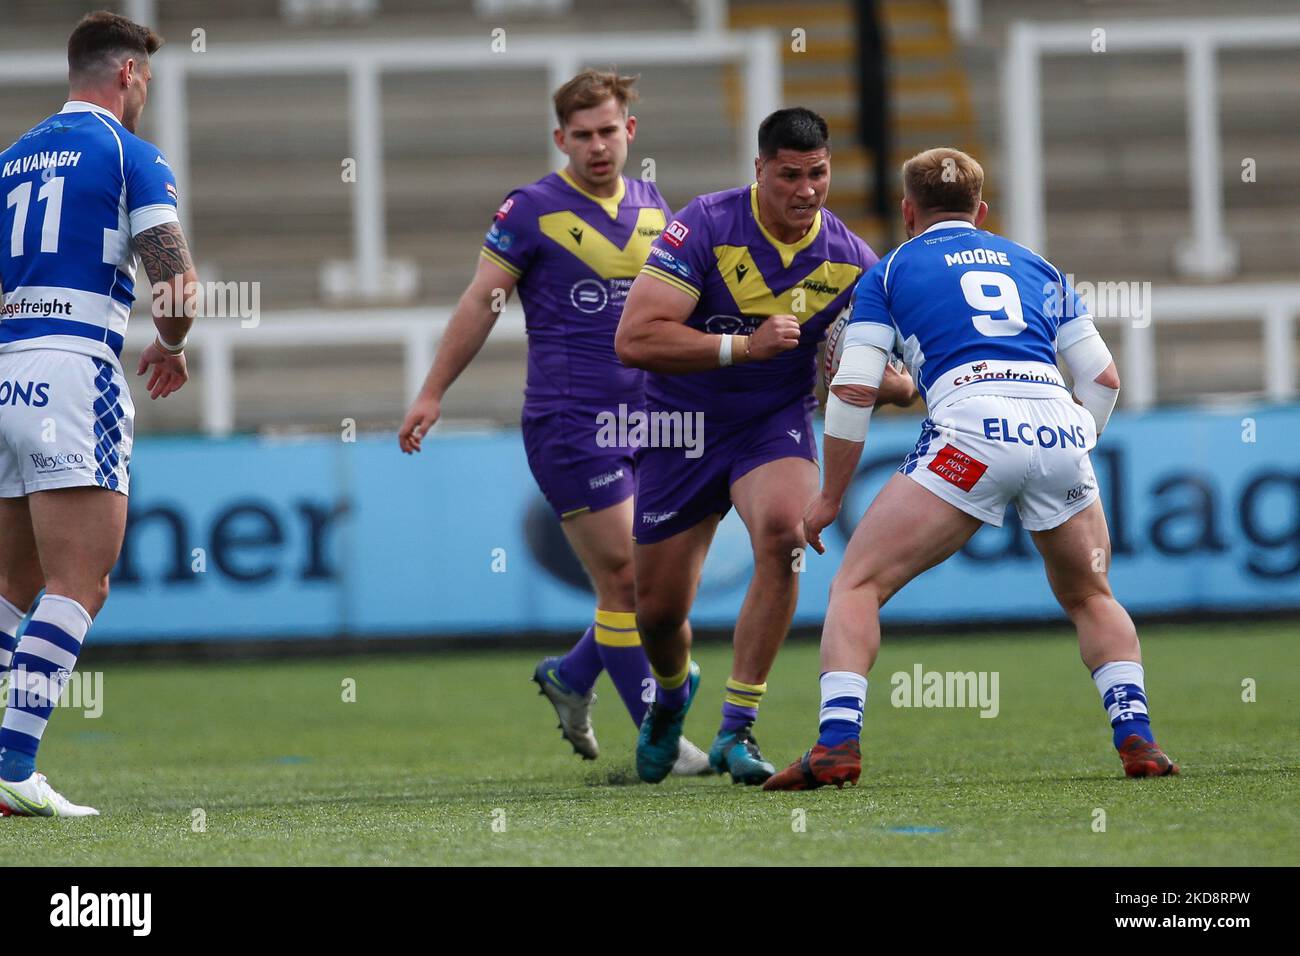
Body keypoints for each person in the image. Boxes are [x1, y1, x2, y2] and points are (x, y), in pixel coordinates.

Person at [764, 147, 1178, 791]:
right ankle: (1138, 739)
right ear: (983, 212)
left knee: (857, 586)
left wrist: (828, 498)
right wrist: (1070, 446)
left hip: (970, 432)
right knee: (1092, 595)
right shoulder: (1038, 265)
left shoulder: (891, 270)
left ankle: (836, 746)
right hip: (1055, 425)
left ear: (908, 212)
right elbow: (1102, 378)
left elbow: (850, 389)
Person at [398, 69, 709, 774]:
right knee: (628, 583)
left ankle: (572, 677)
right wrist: (432, 391)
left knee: (657, 590)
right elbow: (482, 301)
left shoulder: (657, 205)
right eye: (583, 135)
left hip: (657, 423)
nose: (597, 146)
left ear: (629, 131)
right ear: (560, 138)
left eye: (609, 131)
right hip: (571, 423)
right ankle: (660, 736)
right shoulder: (529, 209)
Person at [615, 107, 914, 785]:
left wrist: (895, 385)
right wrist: (742, 346)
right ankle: (669, 698)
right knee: (658, 613)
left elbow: (877, 365)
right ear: (759, 171)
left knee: (784, 535)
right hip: (679, 427)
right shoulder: (706, 225)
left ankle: (734, 729)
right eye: (789, 176)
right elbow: (634, 338)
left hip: (771, 424)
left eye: (818, 173)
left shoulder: (850, 260)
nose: (806, 190)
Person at [0, 11, 198, 816]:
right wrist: (172, 343)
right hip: (75, 367)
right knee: (83, 580)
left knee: (14, 587)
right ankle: (13, 767)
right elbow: (176, 283)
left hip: (6, 369)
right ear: (127, 75)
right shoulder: (130, 153)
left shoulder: (11, 160)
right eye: (145, 79)